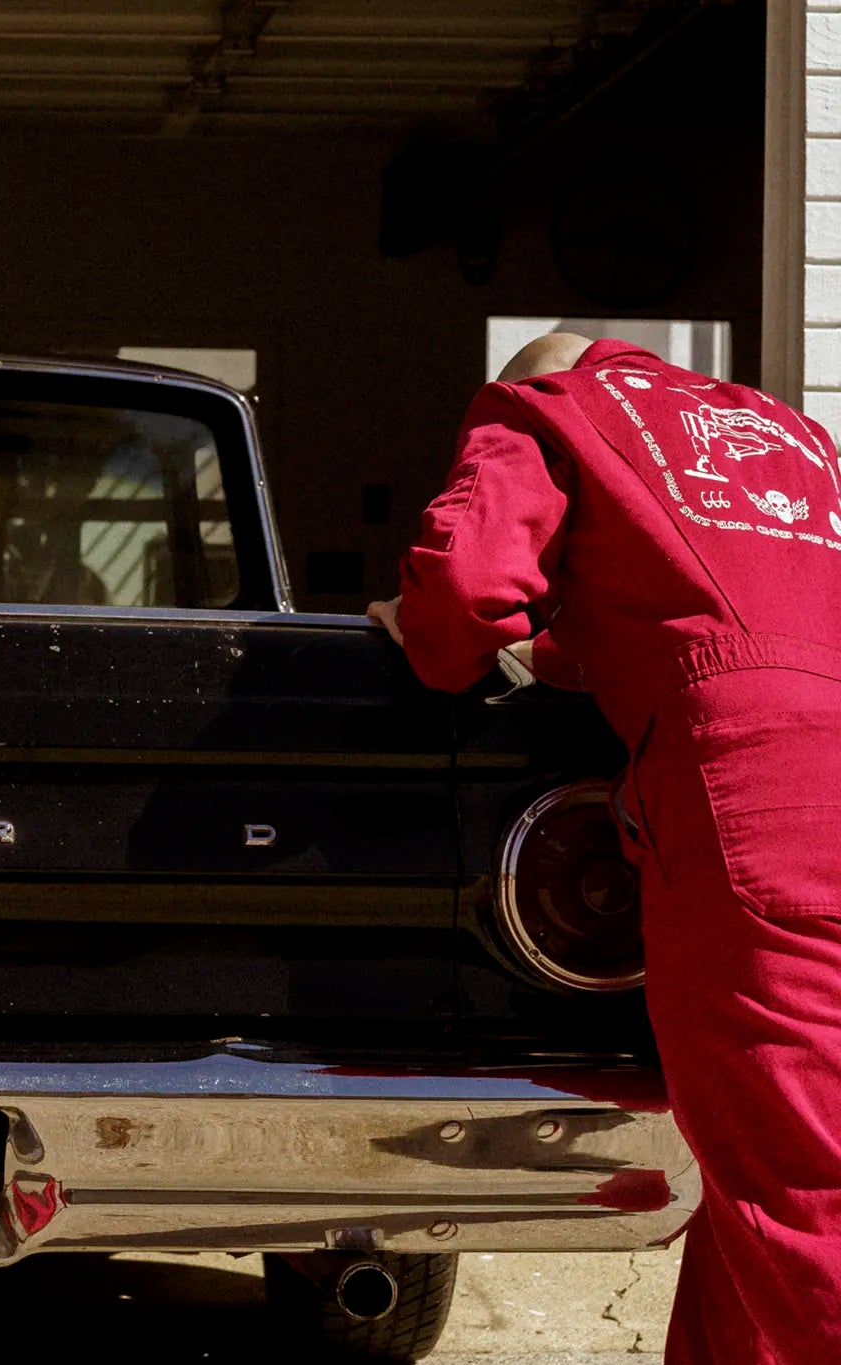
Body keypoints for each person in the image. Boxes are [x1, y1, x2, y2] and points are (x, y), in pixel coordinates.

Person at [370, 332, 841, 1363]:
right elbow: (739, 620)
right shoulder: (793, 438)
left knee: (805, 1207)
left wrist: (412, 625)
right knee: (755, 1182)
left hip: (758, 803)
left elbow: (459, 603)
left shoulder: (551, 408)